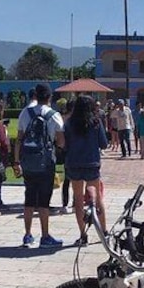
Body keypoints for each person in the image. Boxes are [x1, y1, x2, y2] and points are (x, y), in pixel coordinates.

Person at [13, 83, 64, 248]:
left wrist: (16, 161)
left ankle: (27, 235)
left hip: (28, 161)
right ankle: (45, 235)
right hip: (46, 162)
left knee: (29, 198)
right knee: (43, 201)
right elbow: (61, 142)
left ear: (35, 95)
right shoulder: (54, 115)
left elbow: (19, 139)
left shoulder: (24, 113)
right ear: (49, 97)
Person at [59, 95, 108, 246]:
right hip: (92, 163)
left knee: (78, 199)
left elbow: (64, 145)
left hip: (74, 163)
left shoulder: (69, 124)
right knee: (98, 197)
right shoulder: (95, 122)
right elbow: (104, 144)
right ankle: (104, 232)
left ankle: (83, 234)